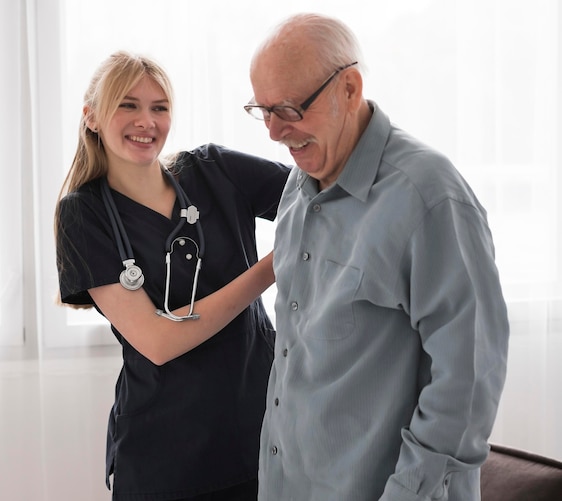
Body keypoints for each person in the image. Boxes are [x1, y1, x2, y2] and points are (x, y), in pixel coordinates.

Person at [244, 13, 510, 501]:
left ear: (349, 87)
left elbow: (467, 384)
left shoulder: (429, 197)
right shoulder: (297, 188)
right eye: (263, 111)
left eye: (288, 108)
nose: (274, 132)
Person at [54, 51, 290, 501]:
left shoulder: (216, 171)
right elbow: (159, 342)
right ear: (92, 117)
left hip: (260, 434)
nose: (146, 120)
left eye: (159, 107)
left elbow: (322, 199)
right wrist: (275, 266)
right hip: (165, 457)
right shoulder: (83, 215)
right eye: (128, 104)